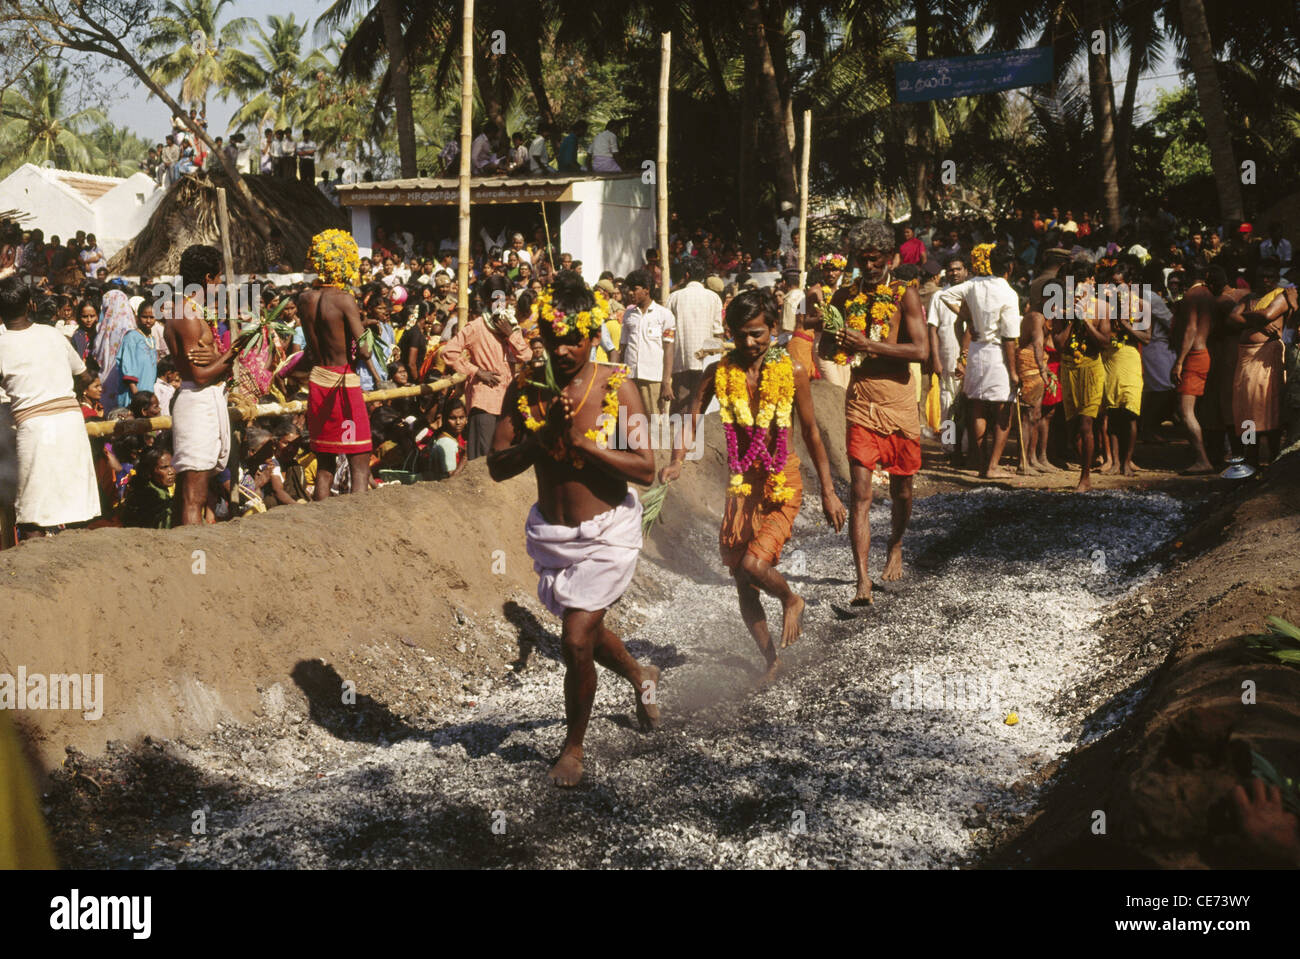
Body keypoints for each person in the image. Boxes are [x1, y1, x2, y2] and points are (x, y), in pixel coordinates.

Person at [488, 269, 659, 788]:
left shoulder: (617, 385)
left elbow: (646, 469)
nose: (564, 351)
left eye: (575, 340)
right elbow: (496, 466)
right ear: (540, 335)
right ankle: (640, 674)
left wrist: (583, 446)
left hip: (608, 533)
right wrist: (543, 439)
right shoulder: (525, 389)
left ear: (591, 334)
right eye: (553, 339)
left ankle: (574, 747)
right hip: (553, 536)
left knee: (576, 636)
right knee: (584, 634)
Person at [662, 289, 846, 678]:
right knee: (744, 581)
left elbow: (812, 433)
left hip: (782, 480)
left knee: (754, 562)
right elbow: (692, 416)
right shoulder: (718, 372)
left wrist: (829, 492)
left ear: (774, 329)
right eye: (741, 334)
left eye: (758, 334)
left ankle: (791, 599)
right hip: (742, 485)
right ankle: (771, 660)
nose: (749, 343)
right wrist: (677, 460)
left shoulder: (792, 371)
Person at [823, 220, 926, 607]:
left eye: (876, 259)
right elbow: (825, 349)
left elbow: (921, 352)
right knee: (861, 494)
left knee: (902, 488)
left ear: (889, 257)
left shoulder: (905, 294)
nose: (869, 267)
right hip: (861, 400)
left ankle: (896, 544)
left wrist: (870, 344)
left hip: (899, 400)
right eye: (862, 260)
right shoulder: (843, 295)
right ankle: (862, 579)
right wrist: (840, 343)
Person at [0, 275, 101, 536]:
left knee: (33, 515)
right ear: (31, 305)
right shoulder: (54, 335)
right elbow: (85, 376)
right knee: (76, 509)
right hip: (71, 423)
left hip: (34, 428)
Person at [164, 245, 237, 524]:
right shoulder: (187, 315)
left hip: (203, 401)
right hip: (196, 402)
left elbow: (207, 367)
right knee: (193, 495)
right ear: (208, 278)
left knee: (195, 489)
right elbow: (200, 375)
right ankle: (192, 557)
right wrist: (234, 352)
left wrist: (219, 357)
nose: (219, 284)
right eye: (218, 278)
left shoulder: (190, 311)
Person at [299, 230, 373, 496]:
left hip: (318, 380)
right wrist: (367, 332)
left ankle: (320, 526)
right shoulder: (343, 299)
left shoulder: (304, 299)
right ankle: (359, 524)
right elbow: (364, 350)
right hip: (343, 383)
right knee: (360, 459)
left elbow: (315, 343)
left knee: (325, 465)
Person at [941, 243, 1021, 478]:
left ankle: (982, 462)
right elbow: (1009, 338)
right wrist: (1014, 372)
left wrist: (968, 316)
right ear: (1010, 267)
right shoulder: (1008, 293)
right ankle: (992, 466)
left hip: (976, 351)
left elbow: (946, 294)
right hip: (997, 355)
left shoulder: (974, 285)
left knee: (977, 407)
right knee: (1002, 409)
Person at [440, 289, 531, 459]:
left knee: (503, 455)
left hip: (508, 401)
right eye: (495, 299)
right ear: (488, 303)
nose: (500, 304)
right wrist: (477, 371)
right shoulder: (477, 326)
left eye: (504, 300)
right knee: (482, 459)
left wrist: (510, 334)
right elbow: (448, 352)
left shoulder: (512, 326)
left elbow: (527, 356)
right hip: (484, 401)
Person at [1050, 260, 1111, 491]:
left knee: (1087, 424)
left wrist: (1086, 321)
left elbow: (1105, 342)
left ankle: (1085, 477)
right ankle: (1086, 461)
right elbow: (1058, 344)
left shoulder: (1102, 307)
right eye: (1075, 284)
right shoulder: (1061, 306)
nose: (1080, 289)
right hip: (1069, 368)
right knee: (1073, 427)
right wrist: (1071, 319)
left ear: (1092, 282)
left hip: (1092, 367)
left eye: (1084, 283)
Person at [1229, 257, 1294, 467]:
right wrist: (1258, 319)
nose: (1265, 280)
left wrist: (1251, 317)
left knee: (1269, 407)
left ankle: (1274, 458)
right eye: (1261, 277)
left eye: (1269, 277)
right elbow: (1232, 318)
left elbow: (1268, 314)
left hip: (1266, 357)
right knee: (1247, 409)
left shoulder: (1282, 296)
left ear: (1276, 279)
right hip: (1246, 359)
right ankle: (1251, 457)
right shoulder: (1249, 297)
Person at [1170, 262, 1218, 474]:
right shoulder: (1209, 294)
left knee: (1185, 411)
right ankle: (1203, 456)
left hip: (1194, 354)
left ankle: (1202, 459)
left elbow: (1190, 329)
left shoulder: (1192, 295)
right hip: (1205, 352)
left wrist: (1179, 361)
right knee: (1195, 410)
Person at [612, 268, 674, 415]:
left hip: (653, 378)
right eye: (629, 289)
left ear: (646, 290)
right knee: (632, 421)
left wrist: (666, 382)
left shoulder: (664, 315)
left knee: (655, 423)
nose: (630, 293)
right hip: (631, 377)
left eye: (635, 289)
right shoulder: (628, 315)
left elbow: (669, 350)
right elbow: (623, 346)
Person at [926, 254, 969, 459]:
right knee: (948, 402)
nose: (954, 272)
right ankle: (950, 447)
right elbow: (932, 330)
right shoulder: (939, 296)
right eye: (951, 269)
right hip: (946, 358)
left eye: (958, 269)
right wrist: (935, 358)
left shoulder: (972, 294)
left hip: (972, 358)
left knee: (969, 403)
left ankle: (968, 447)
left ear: (966, 271)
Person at [666, 260, 723, 413]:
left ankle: (681, 434)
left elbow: (667, 331)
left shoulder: (674, 297)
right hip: (705, 361)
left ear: (686, 275)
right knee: (702, 402)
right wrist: (711, 357)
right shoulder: (714, 298)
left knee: (681, 406)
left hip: (680, 359)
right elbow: (718, 333)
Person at [113, 299, 158, 411]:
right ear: (137, 317)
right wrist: (136, 394)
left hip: (147, 391)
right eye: (144, 317)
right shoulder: (132, 337)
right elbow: (128, 366)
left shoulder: (151, 339)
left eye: (152, 317)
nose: (148, 321)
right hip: (134, 393)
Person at [122, 447, 176, 529]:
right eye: (164, 468)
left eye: (172, 466)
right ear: (148, 472)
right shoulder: (151, 495)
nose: (171, 472)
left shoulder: (158, 489)